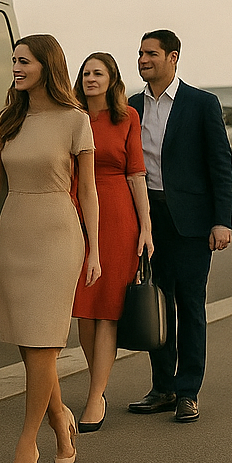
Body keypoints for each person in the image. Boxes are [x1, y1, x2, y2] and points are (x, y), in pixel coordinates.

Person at [0, 35, 100, 463]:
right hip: (16, 232)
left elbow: (88, 192)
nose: (16, 67)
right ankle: (61, 422)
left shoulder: (76, 120)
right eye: (14, 61)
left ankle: (27, 442)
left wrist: (94, 248)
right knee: (31, 346)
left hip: (59, 233)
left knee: (44, 343)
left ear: (46, 65)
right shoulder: (7, 119)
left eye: (24, 61)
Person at [127, 30, 232, 423]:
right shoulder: (131, 105)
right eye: (140, 53)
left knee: (189, 306)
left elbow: (221, 166)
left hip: (191, 223)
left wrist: (222, 220)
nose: (143, 59)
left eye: (151, 53)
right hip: (147, 220)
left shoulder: (202, 103)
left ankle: (188, 390)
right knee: (156, 304)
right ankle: (163, 387)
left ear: (173, 57)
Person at [71, 53, 153, 430]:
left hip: (118, 217)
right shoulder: (71, 115)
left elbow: (136, 174)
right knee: (84, 309)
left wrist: (147, 228)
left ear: (112, 79)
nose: (90, 78)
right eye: (86, 73)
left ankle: (94, 395)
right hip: (74, 214)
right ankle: (96, 383)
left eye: (97, 73)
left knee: (107, 308)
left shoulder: (127, 118)